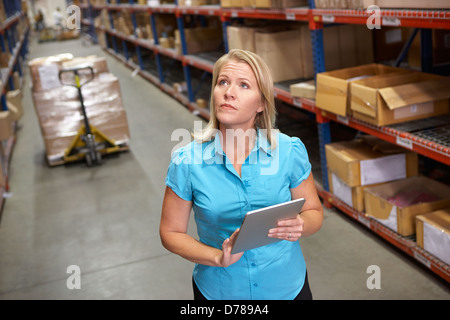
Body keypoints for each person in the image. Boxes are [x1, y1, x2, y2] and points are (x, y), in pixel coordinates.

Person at [160, 49, 323, 300]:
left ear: (261, 104)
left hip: (286, 286)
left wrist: (300, 225)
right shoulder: (187, 162)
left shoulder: (288, 151)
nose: (229, 92)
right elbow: (171, 233)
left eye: (244, 85)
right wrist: (217, 257)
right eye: (222, 82)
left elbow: (313, 211)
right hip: (221, 290)